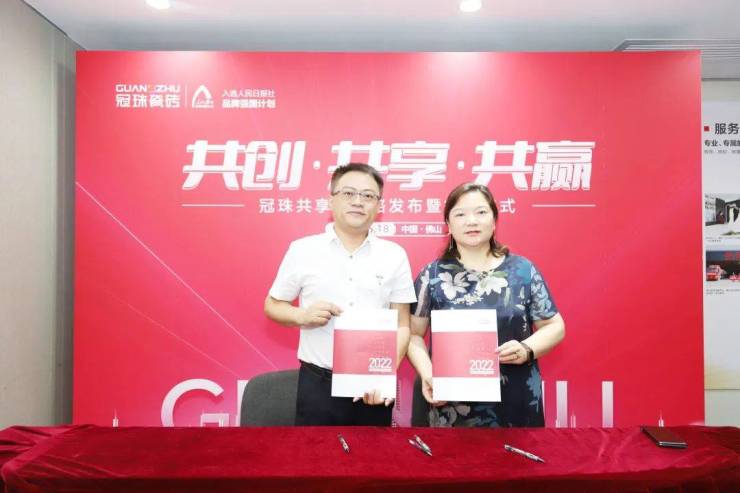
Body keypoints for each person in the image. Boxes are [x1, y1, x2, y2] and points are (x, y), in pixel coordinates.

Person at [264, 163, 415, 426]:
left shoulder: (394, 255)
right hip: (318, 384)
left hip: (373, 386)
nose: (358, 202)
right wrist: (303, 316)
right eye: (348, 193)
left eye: (368, 195)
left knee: (374, 452)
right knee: (315, 452)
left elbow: (402, 324)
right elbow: (273, 305)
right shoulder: (303, 250)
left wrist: (383, 373)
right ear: (331, 200)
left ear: (379, 206)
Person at [406, 182, 565, 427]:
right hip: (449, 404)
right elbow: (412, 334)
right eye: (460, 214)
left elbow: (555, 326)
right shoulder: (432, 275)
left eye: (481, 212)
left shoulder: (522, 271)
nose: (471, 221)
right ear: (448, 225)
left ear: (494, 220)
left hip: (515, 399)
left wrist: (527, 348)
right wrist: (428, 374)